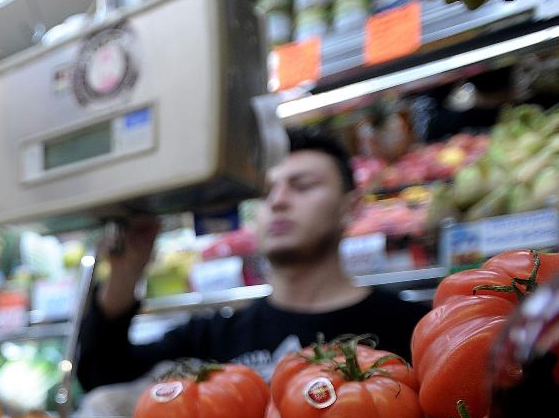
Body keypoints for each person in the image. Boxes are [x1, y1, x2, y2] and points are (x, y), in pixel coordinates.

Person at [76, 128, 429, 393]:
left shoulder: (411, 330)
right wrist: (126, 273)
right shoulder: (213, 338)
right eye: (265, 192)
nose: (277, 201)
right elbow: (101, 376)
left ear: (350, 207)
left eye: (302, 185)